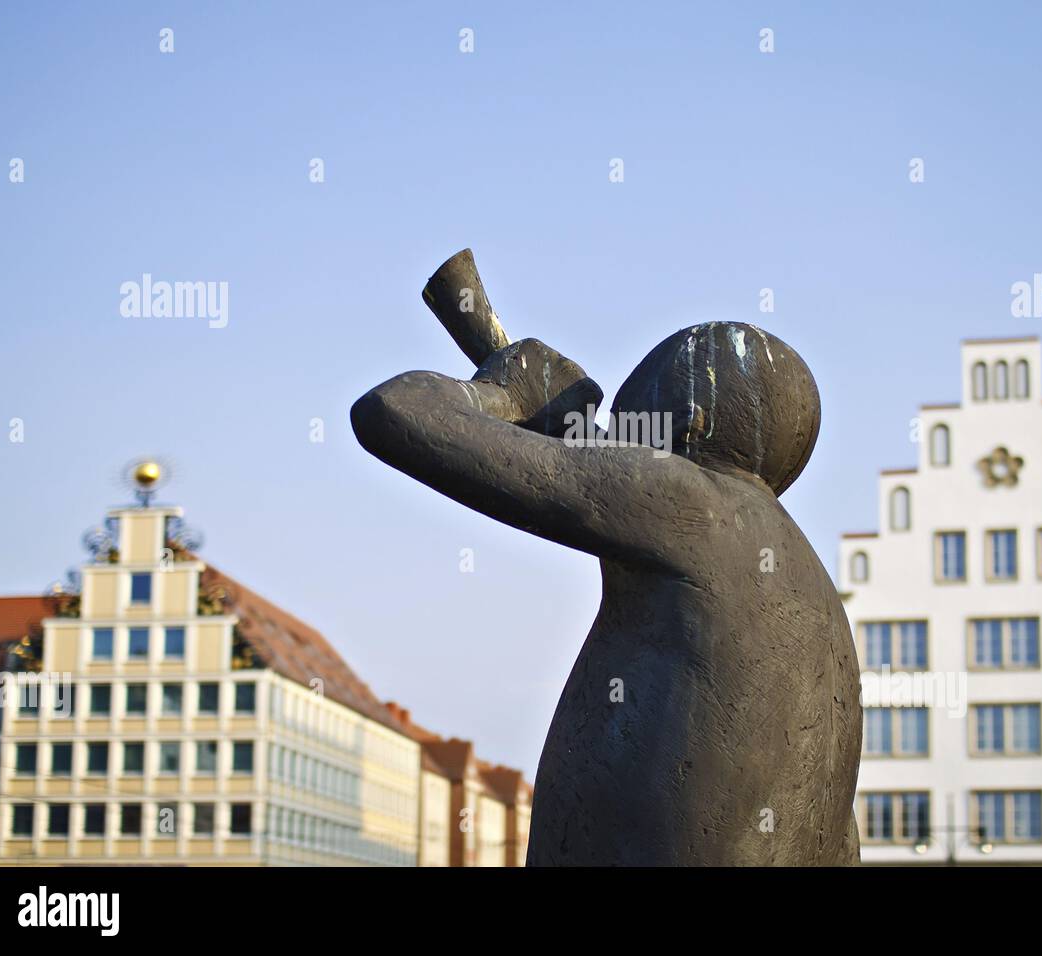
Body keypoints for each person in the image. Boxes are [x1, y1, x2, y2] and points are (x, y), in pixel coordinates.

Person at [352, 318, 861, 865]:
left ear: (691, 420)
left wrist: (502, 392)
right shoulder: (813, 597)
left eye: (633, 411)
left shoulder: (691, 501)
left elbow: (395, 410)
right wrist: (563, 433)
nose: (618, 428)